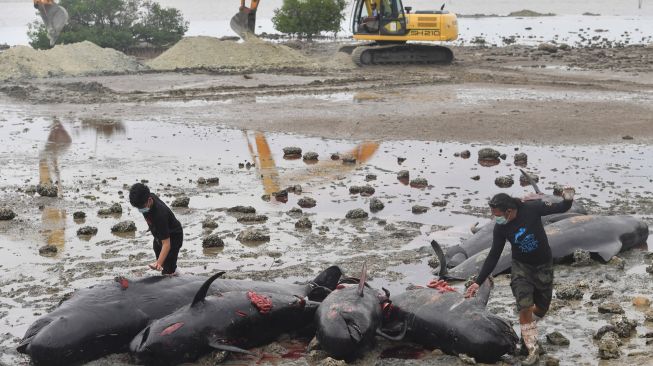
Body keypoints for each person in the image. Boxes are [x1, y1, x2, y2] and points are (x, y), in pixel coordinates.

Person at [464, 186, 575, 365]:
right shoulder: (500, 228)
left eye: (497, 214)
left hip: (543, 265)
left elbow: (561, 208)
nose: (495, 218)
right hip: (521, 267)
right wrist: (478, 282)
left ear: (509, 211)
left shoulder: (532, 208)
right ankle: (533, 348)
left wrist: (568, 198)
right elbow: (494, 255)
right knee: (524, 306)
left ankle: (526, 334)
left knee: (541, 308)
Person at [129, 183, 183, 275]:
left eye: (141, 207)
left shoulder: (160, 215)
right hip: (159, 233)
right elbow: (149, 215)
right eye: (138, 208)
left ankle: (175, 274)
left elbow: (166, 244)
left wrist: (158, 263)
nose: (140, 210)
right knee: (158, 250)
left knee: (167, 270)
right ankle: (172, 269)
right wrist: (151, 227)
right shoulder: (146, 200)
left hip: (173, 236)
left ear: (149, 200)